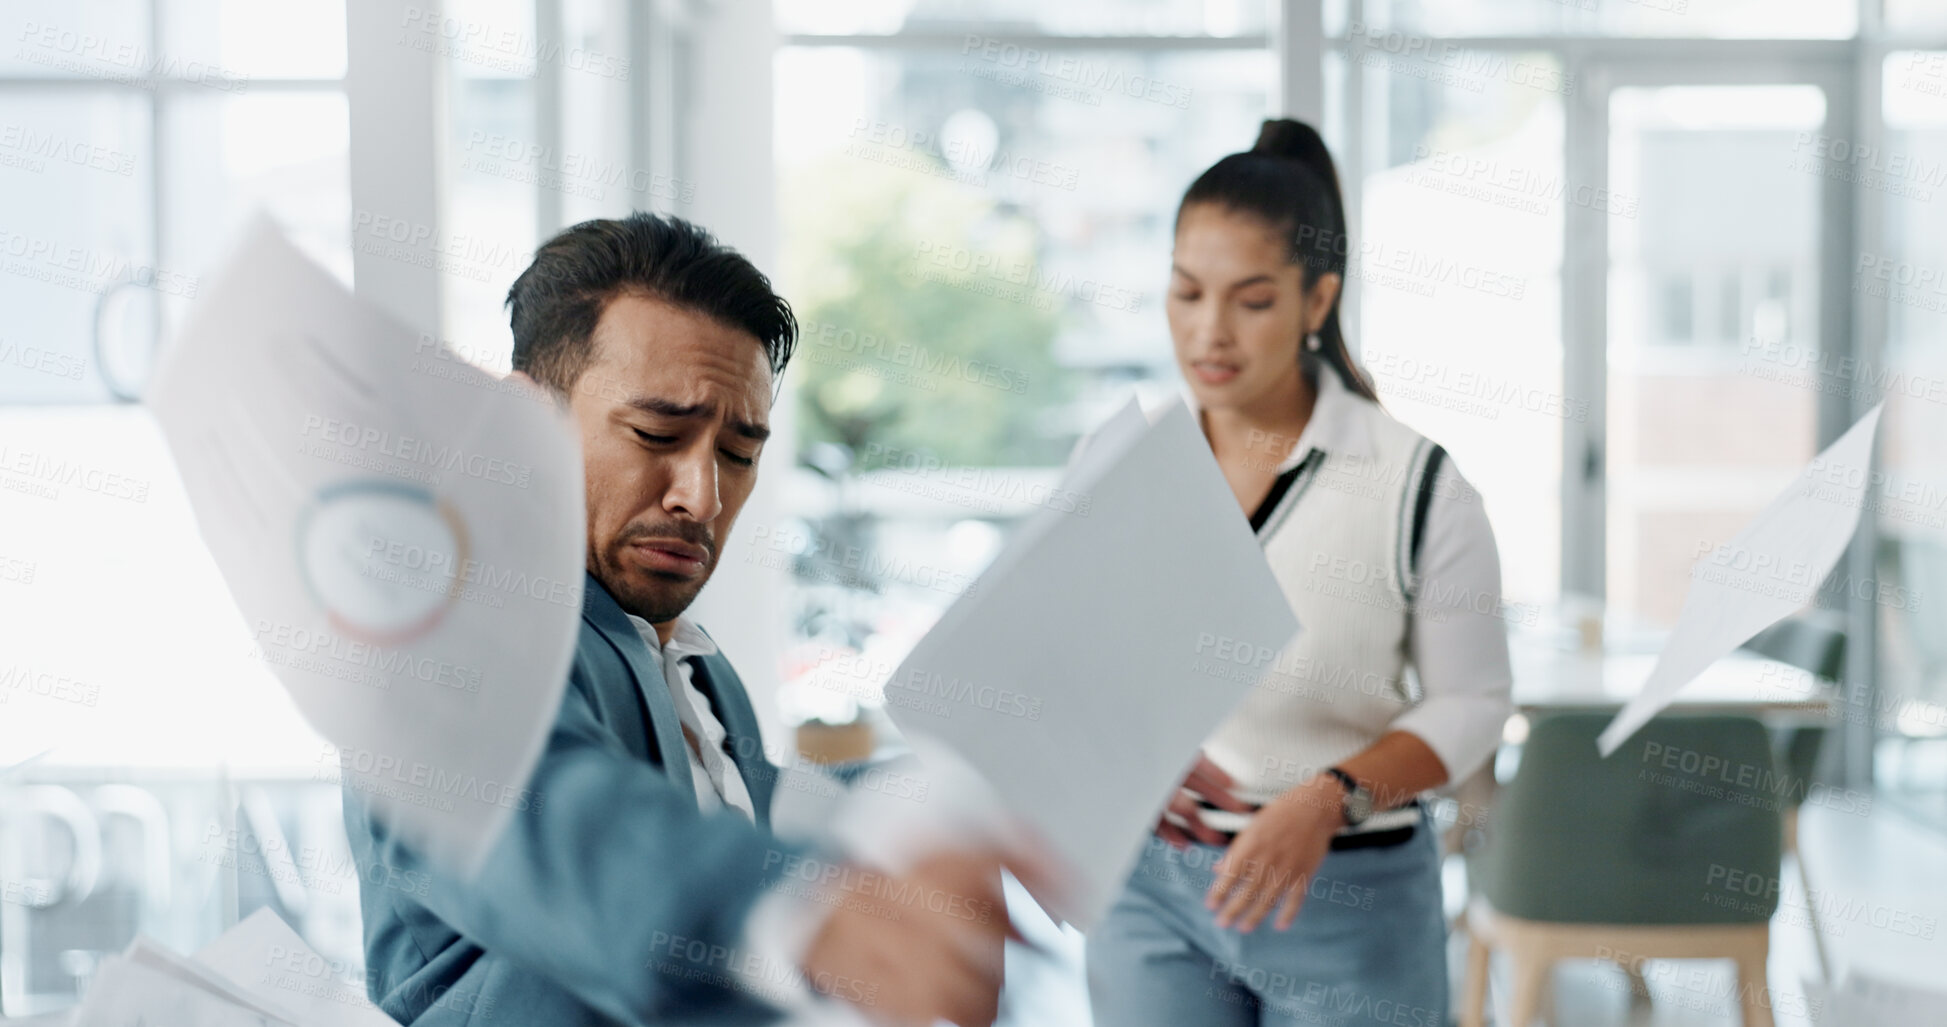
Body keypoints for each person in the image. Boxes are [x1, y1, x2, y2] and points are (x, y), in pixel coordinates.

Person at [344, 213, 1029, 1026]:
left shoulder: (697, 667)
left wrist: (1014, 784)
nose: (701, 497)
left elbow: (760, 813)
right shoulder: (450, 628)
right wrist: (798, 908)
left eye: (738, 454)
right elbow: (546, 810)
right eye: (657, 433)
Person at [1084, 119, 1515, 1025]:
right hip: (1148, 887)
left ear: (1316, 300)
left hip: (1343, 895)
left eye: (1251, 300)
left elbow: (1471, 703)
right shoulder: (1122, 460)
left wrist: (1331, 796)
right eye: (1185, 292)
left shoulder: (1414, 483)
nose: (1209, 330)